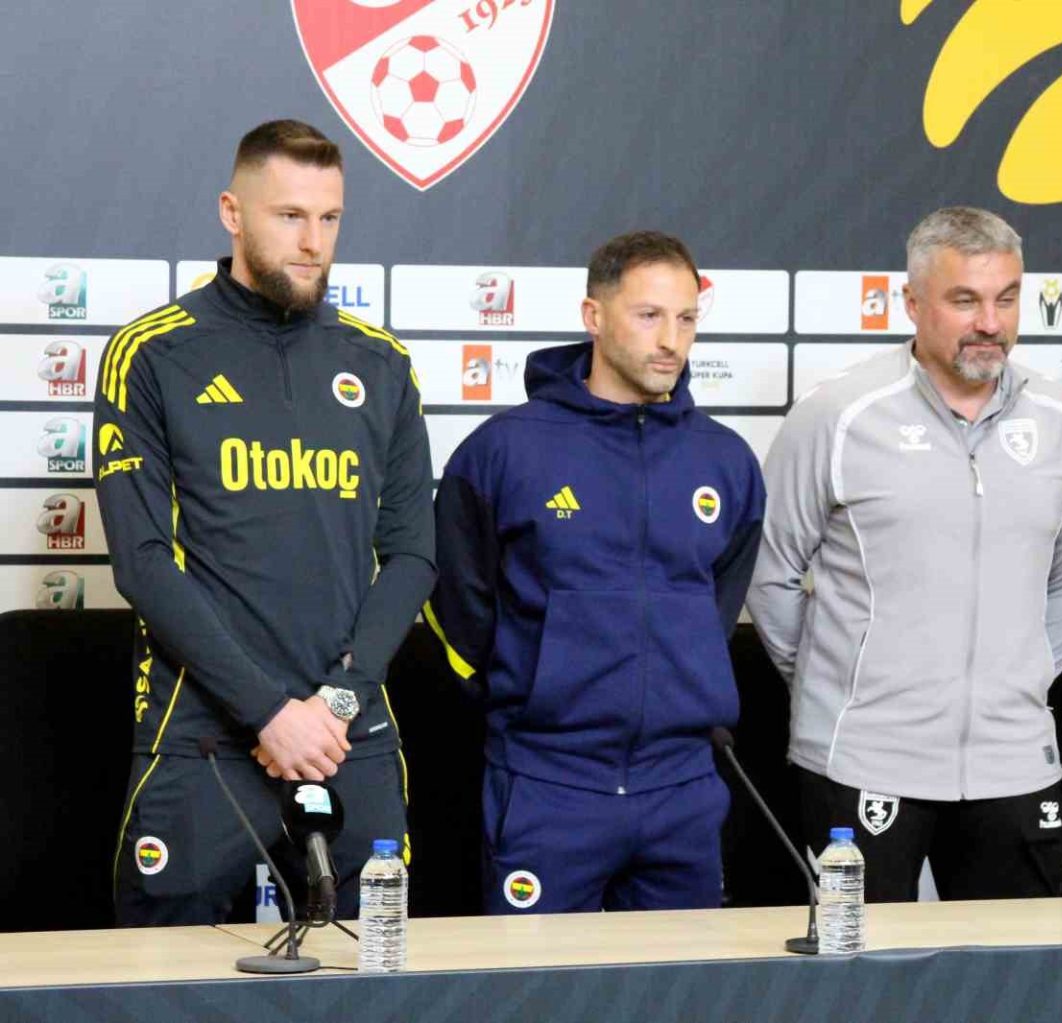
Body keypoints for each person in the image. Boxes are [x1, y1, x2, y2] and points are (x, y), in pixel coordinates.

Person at [95, 120, 435, 925]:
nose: (313, 241)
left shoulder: (381, 362)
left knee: (374, 976)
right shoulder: (152, 353)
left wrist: (338, 703)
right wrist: (270, 713)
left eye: (330, 218)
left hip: (348, 738)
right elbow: (143, 560)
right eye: (289, 216)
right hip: (204, 741)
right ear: (232, 213)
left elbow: (413, 555)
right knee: (165, 979)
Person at [747, 206, 1062, 901]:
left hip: (1014, 763)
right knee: (861, 966)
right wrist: (838, 686)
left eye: (1006, 298)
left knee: (1014, 968)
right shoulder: (840, 415)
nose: (990, 322)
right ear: (911, 302)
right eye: (964, 300)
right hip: (863, 760)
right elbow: (771, 574)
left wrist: (1021, 679)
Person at [426, 231, 765, 914]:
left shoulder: (726, 461)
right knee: (535, 976)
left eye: (686, 318)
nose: (671, 340)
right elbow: (459, 611)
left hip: (682, 789)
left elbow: (716, 609)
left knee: (683, 978)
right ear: (594, 316)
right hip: (547, 784)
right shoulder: (503, 451)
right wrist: (536, 697)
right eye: (649, 315)